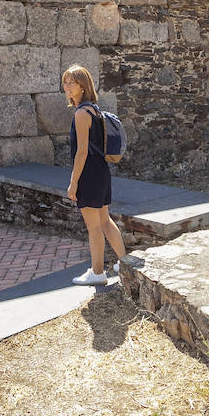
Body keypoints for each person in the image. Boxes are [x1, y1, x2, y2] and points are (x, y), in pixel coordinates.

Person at [62, 64, 126, 286]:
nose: (67, 87)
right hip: (101, 172)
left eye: (72, 83)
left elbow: (81, 152)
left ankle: (98, 272)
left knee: (95, 226)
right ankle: (123, 263)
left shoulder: (81, 113)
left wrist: (73, 183)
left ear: (83, 85)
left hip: (89, 174)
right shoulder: (95, 110)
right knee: (105, 221)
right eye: (65, 82)